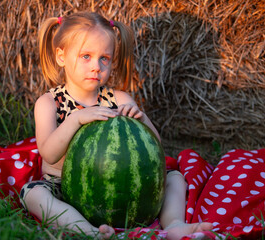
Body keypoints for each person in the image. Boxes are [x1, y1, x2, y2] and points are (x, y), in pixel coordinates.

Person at [19, 11, 213, 239]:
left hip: (121, 189)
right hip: (64, 188)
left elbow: (154, 149)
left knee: (174, 178)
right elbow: (49, 154)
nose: (96, 66)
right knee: (32, 193)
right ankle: (87, 231)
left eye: (104, 58)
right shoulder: (49, 103)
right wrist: (76, 119)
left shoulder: (119, 99)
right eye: (86, 56)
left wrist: (141, 118)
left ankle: (173, 225)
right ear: (61, 56)